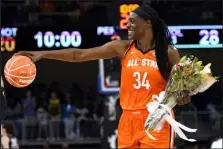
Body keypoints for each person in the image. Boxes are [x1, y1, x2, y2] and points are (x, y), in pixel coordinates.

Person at [16, 4, 191, 148]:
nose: (127, 25)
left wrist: (184, 94)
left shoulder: (169, 53)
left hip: (157, 118)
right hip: (128, 119)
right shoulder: (122, 48)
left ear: (147, 23)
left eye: (132, 21)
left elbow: (182, 89)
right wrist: (41, 54)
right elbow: (80, 55)